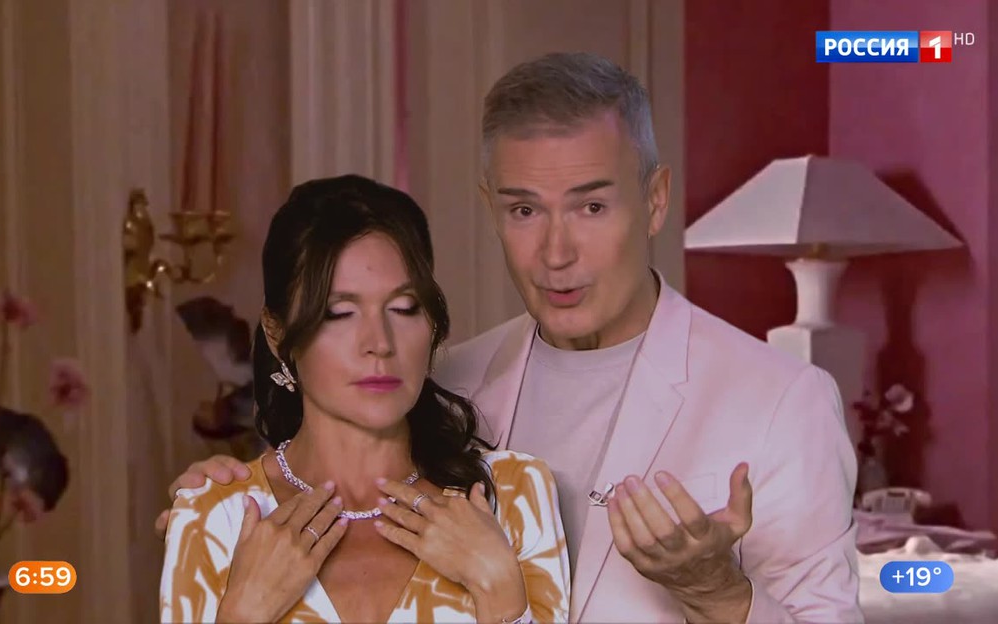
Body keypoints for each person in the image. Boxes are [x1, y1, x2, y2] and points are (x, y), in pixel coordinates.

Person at [159, 53, 862, 623]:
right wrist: (221, 499)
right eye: (525, 210)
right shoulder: (440, 383)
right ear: (491, 207)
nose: (556, 252)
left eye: (591, 206)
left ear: (654, 201)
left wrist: (719, 594)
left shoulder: (782, 400)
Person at [159, 175, 570, 623]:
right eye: (340, 313)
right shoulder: (215, 517)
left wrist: (499, 592)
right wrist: (243, 615)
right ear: (277, 334)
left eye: (404, 308)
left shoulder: (511, 495)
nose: (379, 343)